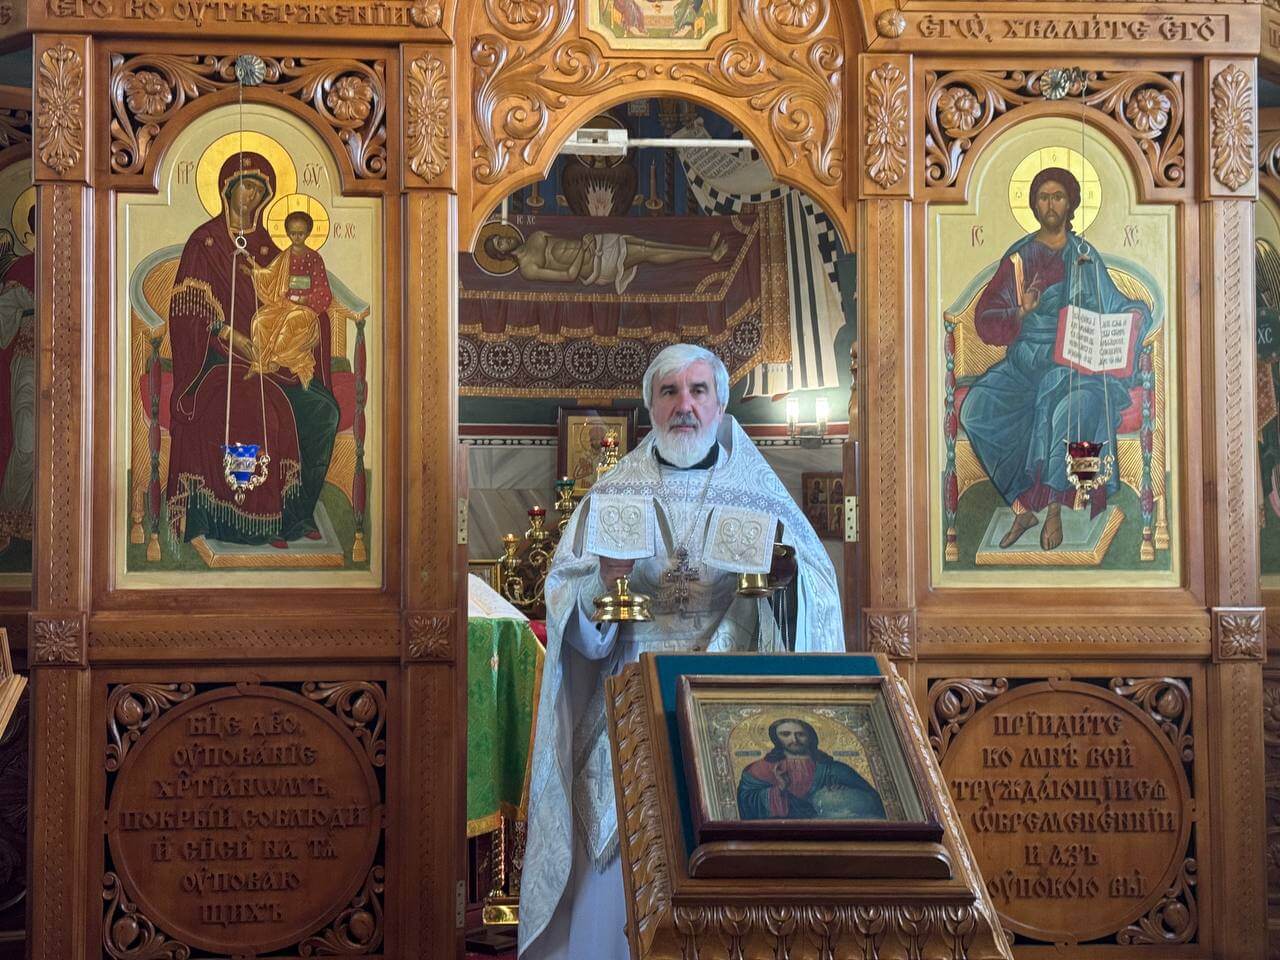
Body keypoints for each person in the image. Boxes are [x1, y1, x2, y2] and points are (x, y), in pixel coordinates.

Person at [518, 344, 842, 960]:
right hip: (631, 705)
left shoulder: (759, 495)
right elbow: (567, 618)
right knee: (614, 876)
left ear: (720, 405)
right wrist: (601, 583)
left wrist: (785, 579)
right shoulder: (613, 495)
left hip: (731, 710)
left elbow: (816, 591)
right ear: (651, 408)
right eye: (670, 392)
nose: (684, 405)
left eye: (698, 391)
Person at [959, 167, 1152, 551]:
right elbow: (984, 321)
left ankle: (1053, 512)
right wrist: (1020, 312)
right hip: (1026, 362)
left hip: (1073, 363)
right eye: (1044, 197)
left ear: (1070, 203)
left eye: (1058, 196)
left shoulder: (1084, 257)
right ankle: (1022, 507)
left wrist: (1136, 315)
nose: (1051, 204)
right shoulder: (1018, 259)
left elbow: (1114, 303)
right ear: (1034, 205)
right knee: (976, 409)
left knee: (1067, 408)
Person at [166, 153, 340, 551]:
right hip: (217, 360)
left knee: (323, 411)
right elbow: (186, 312)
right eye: (246, 186)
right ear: (227, 189)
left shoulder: (269, 249)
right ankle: (250, 518)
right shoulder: (204, 243)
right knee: (259, 411)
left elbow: (293, 296)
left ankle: (295, 514)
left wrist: (305, 322)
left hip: (273, 359)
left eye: (260, 191)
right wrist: (228, 333)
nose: (252, 197)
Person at [484, 228, 729, 294]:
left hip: (598, 244)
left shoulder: (535, 236)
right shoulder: (527, 269)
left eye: (501, 238)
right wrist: (584, 249)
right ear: (502, 255)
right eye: (500, 244)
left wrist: (586, 242)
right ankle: (709, 254)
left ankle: (707, 250)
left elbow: (568, 241)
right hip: (597, 265)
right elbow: (569, 276)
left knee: (647, 245)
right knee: (645, 252)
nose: (505, 240)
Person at [246, 210, 332, 389]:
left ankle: (277, 362)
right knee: (260, 321)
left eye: (301, 233)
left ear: (308, 233)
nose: (296, 237)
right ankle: (261, 362)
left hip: (305, 308)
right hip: (283, 305)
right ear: (287, 233)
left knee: (290, 322)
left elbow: (324, 293)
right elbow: (270, 275)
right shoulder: (284, 256)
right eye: (293, 233)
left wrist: (304, 299)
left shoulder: (314, 258)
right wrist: (253, 272)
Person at [736, 717, 884, 820]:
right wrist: (779, 789)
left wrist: (845, 795)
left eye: (800, 734)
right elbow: (746, 803)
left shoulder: (833, 769)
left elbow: (874, 801)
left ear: (811, 736)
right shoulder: (760, 769)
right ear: (775, 738)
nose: (794, 740)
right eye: (785, 734)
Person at [0, 217, 35, 553]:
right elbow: (3, 325)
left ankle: (42, 524)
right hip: (29, 364)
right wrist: (30, 299)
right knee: (26, 442)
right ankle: (9, 520)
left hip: (69, 370)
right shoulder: (23, 270)